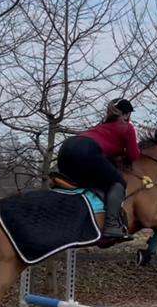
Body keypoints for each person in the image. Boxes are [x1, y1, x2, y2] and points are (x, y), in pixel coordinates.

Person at [57, 98, 140, 242]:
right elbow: (133, 155)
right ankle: (112, 226)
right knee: (118, 182)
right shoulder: (127, 127)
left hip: (65, 150)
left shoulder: (101, 127)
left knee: (91, 183)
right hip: (87, 151)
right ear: (126, 115)